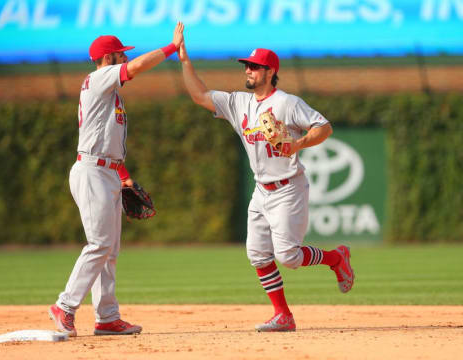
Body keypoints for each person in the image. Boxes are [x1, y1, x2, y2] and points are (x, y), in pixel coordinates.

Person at [178, 43, 354, 332]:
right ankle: (283, 315)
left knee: (289, 257)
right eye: (246, 65)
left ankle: (337, 258)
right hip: (261, 191)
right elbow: (200, 95)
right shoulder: (238, 103)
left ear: (271, 71)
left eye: (254, 66)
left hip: (289, 188)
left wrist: (297, 143)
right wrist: (184, 61)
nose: (248, 70)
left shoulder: (287, 103)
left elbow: (324, 127)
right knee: (257, 255)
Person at [49, 22, 185, 337]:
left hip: (107, 171)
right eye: (121, 54)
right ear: (109, 57)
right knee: (99, 244)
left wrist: (123, 177)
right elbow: (137, 67)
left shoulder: (111, 93)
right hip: (92, 172)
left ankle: (107, 317)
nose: (125, 59)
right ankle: (65, 306)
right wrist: (170, 48)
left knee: (110, 250)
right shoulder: (100, 78)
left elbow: (107, 138)